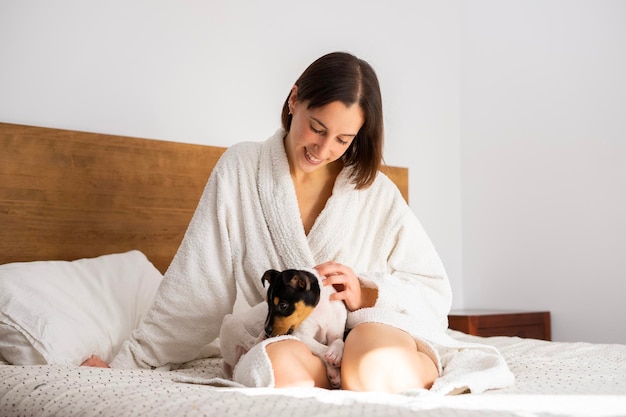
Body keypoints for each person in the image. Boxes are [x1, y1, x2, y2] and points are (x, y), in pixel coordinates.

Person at [82, 51, 476, 393]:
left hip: (364, 330)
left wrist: (367, 292)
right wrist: (126, 364)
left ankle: (400, 372)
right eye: (317, 128)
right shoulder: (241, 168)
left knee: (370, 365)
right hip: (296, 341)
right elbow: (198, 289)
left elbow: (433, 290)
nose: (323, 150)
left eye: (343, 140)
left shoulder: (375, 191)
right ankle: (345, 383)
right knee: (274, 370)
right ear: (294, 99)